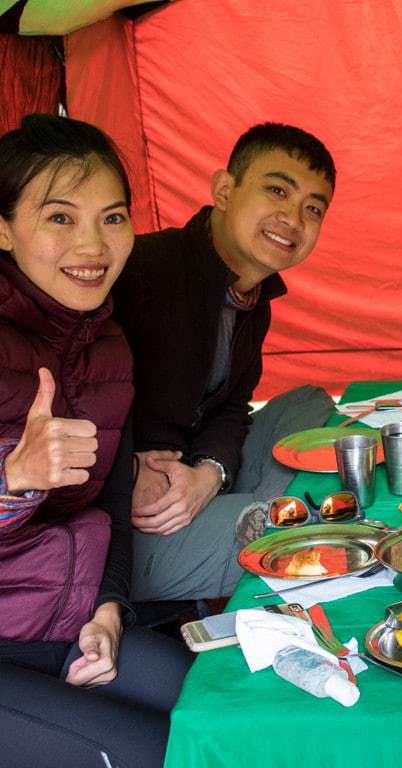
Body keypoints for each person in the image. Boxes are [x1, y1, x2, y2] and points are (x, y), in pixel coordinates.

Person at [0, 114, 191, 767]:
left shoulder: (107, 344)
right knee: (158, 756)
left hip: (63, 619)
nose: (93, 244)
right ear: (2, 227)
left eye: (112, 218)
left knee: (228, 713)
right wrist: (12, 482)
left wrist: (109, 610)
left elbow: (108, 510)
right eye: (60, 218)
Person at [113, 124, 338, 602]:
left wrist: (209, 474)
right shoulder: (140, 270)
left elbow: (232, 407)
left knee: (308, 403)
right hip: (129, 518)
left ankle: (257, 507)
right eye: (277, 190)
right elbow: (75, 397)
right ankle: (268, 517)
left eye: (313, 208)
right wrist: (127, 471)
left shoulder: (253, 297)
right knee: (300, 541)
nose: (293, 218)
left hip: (190, 478)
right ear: (224, 189)